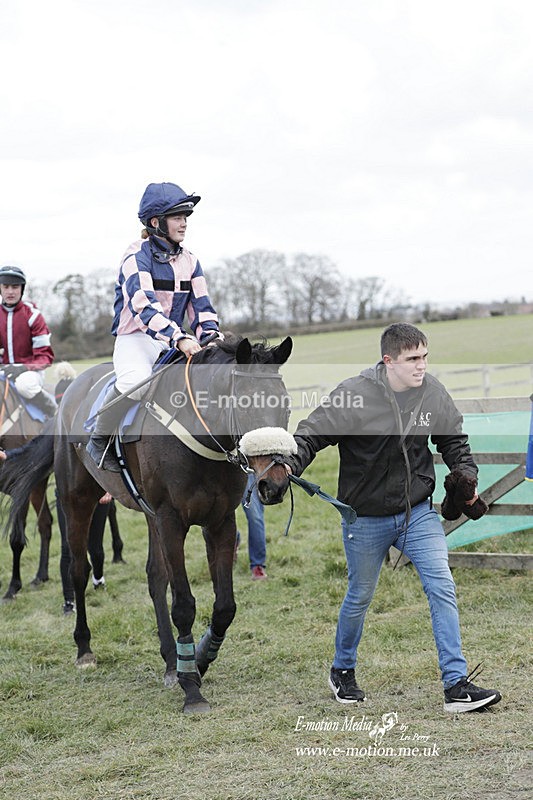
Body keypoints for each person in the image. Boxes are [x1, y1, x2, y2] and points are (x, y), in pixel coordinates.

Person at [284, 322, 501, 714]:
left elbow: (453, 440)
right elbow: (311, 434)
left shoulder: (432, 392)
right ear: (388, 361)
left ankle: (456, 685)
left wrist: (465, 475)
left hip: (417, 512)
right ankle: (342, 670)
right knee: (360, 596)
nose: (421, 366)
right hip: (364, 518)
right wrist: (289, 463)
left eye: (425, 357)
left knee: (442, 585)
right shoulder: (353, 394)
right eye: (412, 359)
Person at [86, 182, 222, 471]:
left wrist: (213, 340)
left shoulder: (191, 261)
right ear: (155, 222)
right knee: (133, 384)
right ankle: (99, 439)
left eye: (186, 216)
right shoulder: (136, 256)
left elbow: (202, 309)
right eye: (177, 217)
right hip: (136, 336)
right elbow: (144, 308)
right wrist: (179, 337)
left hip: (174, 338)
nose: (184, 222)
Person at [0, 266, 57, 417]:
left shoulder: (33, 316)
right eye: (6, 287)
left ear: (22, 289)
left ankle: (53, 413)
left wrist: (23, 367)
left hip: (31, 373)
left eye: (15, 287)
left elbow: (45, 357)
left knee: (25, 385)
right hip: (4, 371)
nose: (10, 292)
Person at [235, 474, 268, 580]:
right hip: (219, 466)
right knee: (220, 514)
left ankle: (257, 565)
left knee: (255, 516)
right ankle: (233, 539)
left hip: (245, 468)